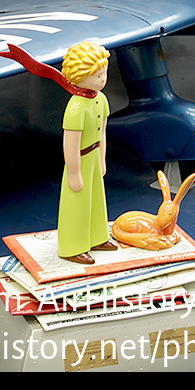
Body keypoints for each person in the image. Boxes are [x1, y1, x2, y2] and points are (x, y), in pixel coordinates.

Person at [55, 42, 118, 264]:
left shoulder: (100, 100)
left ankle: (97, 236)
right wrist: (73, 172)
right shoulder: (76, 107)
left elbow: (102, 133)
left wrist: (101, 159)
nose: (103, 79)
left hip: (93, 156)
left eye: (104, 73)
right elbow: (70, 144)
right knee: (77, 202)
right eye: (97, 74)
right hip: (80, 158)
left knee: (96, 200)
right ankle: (73, 246)